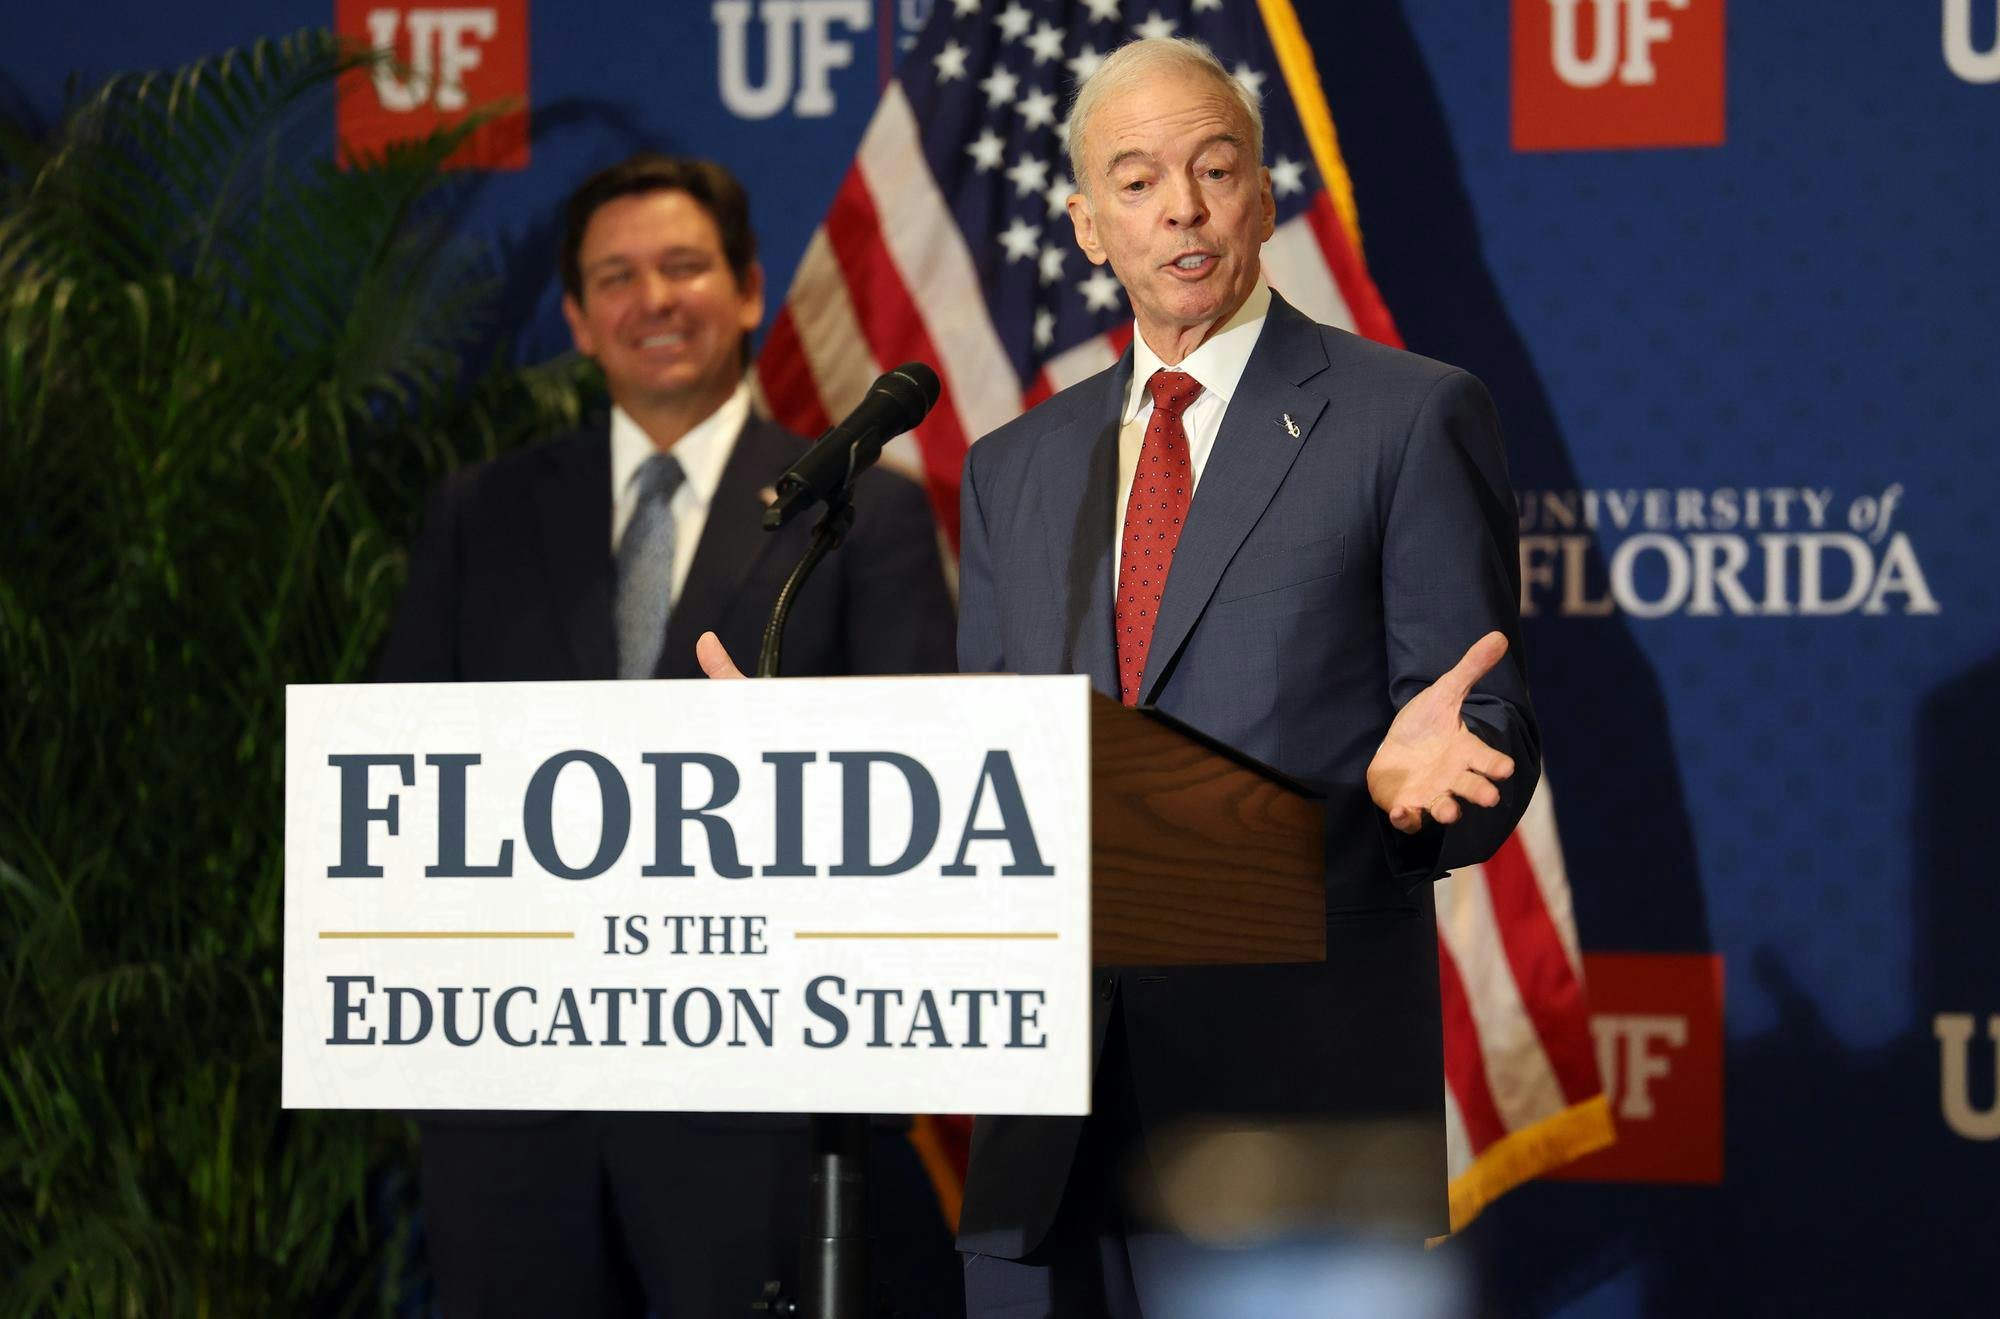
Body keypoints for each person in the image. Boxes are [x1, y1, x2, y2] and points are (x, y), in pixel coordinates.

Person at [948, 38, 1541, 1316]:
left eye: (1215, 169)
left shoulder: (1406, 415)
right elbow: (991, 763)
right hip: (1048, 1117)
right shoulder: (1014, 466)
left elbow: (1473, 720)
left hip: (1291, 1106)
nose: (1182, 206)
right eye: (1139, 179)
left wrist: (1419, 791)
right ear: (1086, 225)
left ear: (1262, 198)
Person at [377, 153, 960, 1317]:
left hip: (753, 1107)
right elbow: (402, 774)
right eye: (618, 276)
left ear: (747, 290)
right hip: (513, 1119)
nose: (653, 298)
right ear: (580, 318)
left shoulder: (867, 511)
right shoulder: (478, 512)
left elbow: (923, 785)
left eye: (684, 266)